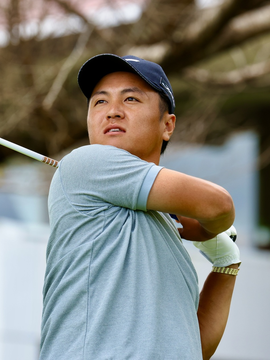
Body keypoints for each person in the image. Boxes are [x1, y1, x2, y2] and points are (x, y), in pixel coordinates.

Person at [40, 54, 241, 360]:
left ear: (167, 125)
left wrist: (226, 263)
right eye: (100, 102)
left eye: (131, 99)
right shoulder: (86, 163)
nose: (113, 112)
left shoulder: (167, 232)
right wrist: (207, 231)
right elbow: (218, 206)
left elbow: (192, 348)